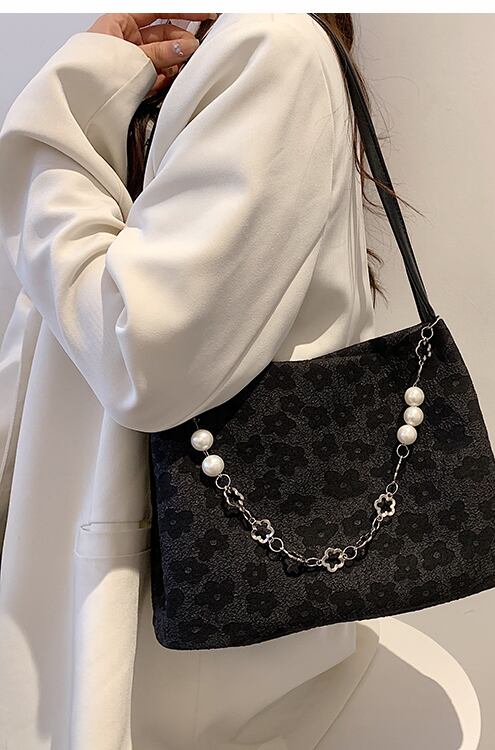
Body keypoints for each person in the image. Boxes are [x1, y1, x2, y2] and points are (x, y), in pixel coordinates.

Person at [0, 12, 384, 748]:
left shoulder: (271, 43)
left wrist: (68, 107)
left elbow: (138, 354)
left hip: (165, 644)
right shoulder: (249, 46)